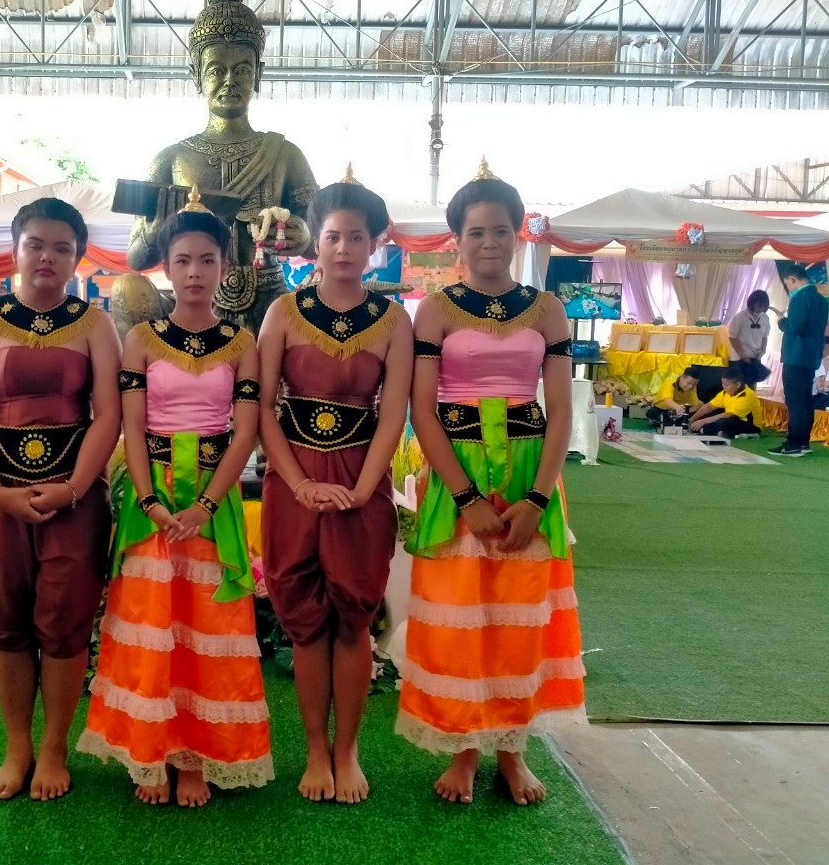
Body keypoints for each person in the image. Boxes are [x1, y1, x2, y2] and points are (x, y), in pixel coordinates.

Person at [398, 161, 585, 807]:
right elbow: (423, 412)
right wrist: (466, 499)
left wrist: (537, 498)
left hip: (530, 471)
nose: (489, 243)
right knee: (463, 619)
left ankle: (513, 751)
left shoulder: (548, 309)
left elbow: (560, 412)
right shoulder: (435, 311)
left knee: (519, 618)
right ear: (457, 240)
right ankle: (464, 750)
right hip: (460, 476)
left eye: (500, 230)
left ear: (518, 234)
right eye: (475, 232)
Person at [79, 198, 272, 808]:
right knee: (151, 623)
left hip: (213, 500)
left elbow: (246, 431)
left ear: (225, 268)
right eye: (183, 260)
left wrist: (207, 506)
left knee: (206, 624)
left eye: (207, 260)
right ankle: (151, 750)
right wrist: (149, 500)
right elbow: (132, 428)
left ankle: (196, 755)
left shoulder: (241, 343)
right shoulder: (140, 340)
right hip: (153, 497)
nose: (194, 272)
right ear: (164, 265)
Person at [0, 198, 121, 802]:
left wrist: (74, 487)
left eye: (62, 248)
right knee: (4, 620)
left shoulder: (95, 325)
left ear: (78, 257)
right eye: (36, 245)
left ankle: (53, 748)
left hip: (75, 494)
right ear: (15, 249)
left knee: (65, 621)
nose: (48, 257)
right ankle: (17, 746)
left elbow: (109, 416)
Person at [258, 173, 412, 804]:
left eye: (357, 237)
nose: (344, 248)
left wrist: (363, 488)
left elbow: (394, 412)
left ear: (375, 244)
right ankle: (315, 752)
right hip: (291, 481)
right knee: (304, 624)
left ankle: (346, 751)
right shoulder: (283, 312)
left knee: (354, 621)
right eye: (332, 237)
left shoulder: (393, 319)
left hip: (362, 483)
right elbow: (262, 408)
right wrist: (298, 482)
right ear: (314, 244)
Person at [110, 0, 317, 338]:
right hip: (192, 303)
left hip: (269, 300)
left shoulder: (284, 154)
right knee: (127, 290)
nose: (229, 81)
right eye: (216, 70)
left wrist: (298, 235)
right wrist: (157, 227)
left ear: (259, 73)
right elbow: (137, 258)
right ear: (196, 74)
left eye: (242, 70)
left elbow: (320, 242)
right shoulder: (172, 159)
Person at [771, 264, 829, 456]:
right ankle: (803, 442)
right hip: (811, 356)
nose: (789, 288)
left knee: (795, 401)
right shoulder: (820, 299)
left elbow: (794, 327)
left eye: (788, 284)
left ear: (793, 280)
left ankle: (794, 443)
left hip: (796, 356)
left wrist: (781, 320)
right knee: (806, 400)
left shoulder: (799, 298)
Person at [688, 368, 762, 439]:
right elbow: (709, 406)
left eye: (727, 385)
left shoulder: (747, 395)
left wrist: (703, 421)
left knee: (724, 422)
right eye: (723, 384)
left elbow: (728, 415)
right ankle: (706, 429)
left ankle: (703, 429)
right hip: (730, 420)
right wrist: (692, 419)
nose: (723, 387)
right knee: (703, 414)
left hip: (750, 425)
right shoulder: (725, 393)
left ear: (738, 385)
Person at [728, 290, 771, 388]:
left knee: (752, 385)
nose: (761, 309)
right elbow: (732, 338)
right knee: (738, 386)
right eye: (758, 306)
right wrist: (743, 355)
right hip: (738, 358)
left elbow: (765, 336)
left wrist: (762, 351)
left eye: (764, 306)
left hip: (755, 356)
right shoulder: (740, 317)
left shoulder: (765, 318)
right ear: (751, 303)